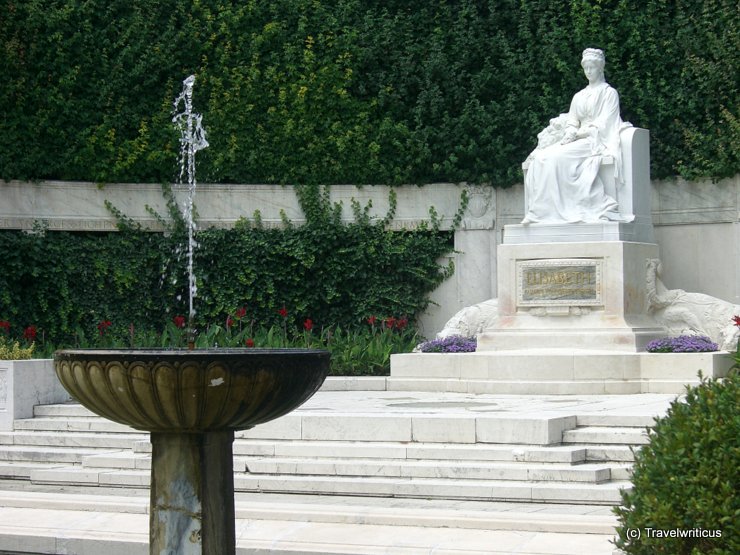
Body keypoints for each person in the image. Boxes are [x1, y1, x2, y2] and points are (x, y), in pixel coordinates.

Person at [522, 48, 631, 224]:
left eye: (592, 67)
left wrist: (578, 133)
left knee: (556, 158)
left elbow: (605, 123)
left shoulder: (609, 93)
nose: (589, 71)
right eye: (586, 68)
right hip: (577, 138)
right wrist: (571, 131)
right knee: (542, 157)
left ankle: (553, 211)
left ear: (600, 68)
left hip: (595, 140)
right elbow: (572, 121)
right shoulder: (578, 96)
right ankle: (541, 211)